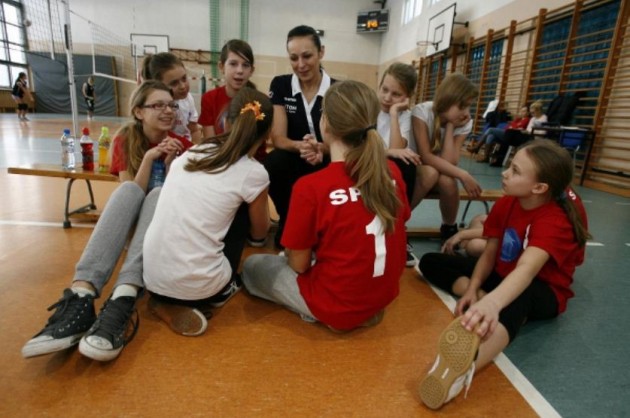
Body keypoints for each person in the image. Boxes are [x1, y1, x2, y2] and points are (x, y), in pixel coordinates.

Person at [21, 80, 193, 362]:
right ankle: (81, 294)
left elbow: (178, 200)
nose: (168, 111)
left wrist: (174, 164)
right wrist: (150, 158)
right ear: (138, 111)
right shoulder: (126, 139)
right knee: (128, 190)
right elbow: (133, 194)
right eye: (158, 105)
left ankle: (123, 296)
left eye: (171, 105)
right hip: (133, 227)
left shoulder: (183, 144)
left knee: (161, 192)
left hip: (164, 230)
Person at [417, 140, 590, 410]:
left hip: (543, 290)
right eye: (510, 166)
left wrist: (494, 303)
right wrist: (474, 289)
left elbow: (527, 269)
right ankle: (491, 299)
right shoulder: (508, 202)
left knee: (517, 298)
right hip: (504, 274)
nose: (505, 173)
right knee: (430, 262)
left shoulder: (555, 220)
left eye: (515, 171)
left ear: (539, 188)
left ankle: (463, 369)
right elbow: (490, 251)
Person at [242, 80, 410, 332]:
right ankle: (359, 311)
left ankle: (318, 313)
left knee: (253, 267)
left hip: (336, 305)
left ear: (326, 123)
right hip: (381, 298)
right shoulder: (392, 172)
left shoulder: (311, 187)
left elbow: (298, 266)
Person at [143, 87, 271, 336]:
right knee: (242, 213)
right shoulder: (254, 172)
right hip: (201, 286)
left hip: (151, 276)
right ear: (267, 135)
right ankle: (223, 288)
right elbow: (260, 231)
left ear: (225, 121)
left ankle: (165, 299)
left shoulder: (192, 152)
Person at [264, 25, 336, 248]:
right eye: (294, 58)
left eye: (307, 56)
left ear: (321, 52)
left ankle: (324, 228)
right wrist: (302, 147)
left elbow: (341, 140)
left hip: (328, 156)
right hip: (295, 155)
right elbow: (278, 138)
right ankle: (288, 221)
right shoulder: (281, 84)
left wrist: (322, 149)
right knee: (273, 162)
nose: (300, 65)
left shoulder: (337, 90)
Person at [410, 73, 481, 243]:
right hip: (414, 169)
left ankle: (449, 227)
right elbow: (425, 156)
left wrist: (450, 126)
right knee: (431, 172)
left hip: (438, 172)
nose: (466, 113)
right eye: (462, 107)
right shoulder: (422, 111)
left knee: (447, 179)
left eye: (468, 107)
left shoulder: (462, 122)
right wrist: (463, 174)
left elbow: (450, 162)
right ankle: (397, 220)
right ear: (447, 99)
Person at [376, 62, 421, 267]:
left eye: (395, 94)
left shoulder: (404, 115)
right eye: (384, 90)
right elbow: (357, 149)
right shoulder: (369, 108)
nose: (387, 98)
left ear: (407, 96)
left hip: (389, 169)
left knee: (406, 162)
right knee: (401, 159)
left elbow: (396, 148)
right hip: (367, 164)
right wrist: (388, 152)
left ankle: (397, 229)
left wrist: (394, 113)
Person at [198, 39, 266, 161]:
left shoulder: (260, 102)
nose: (240, 71)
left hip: (251, 162)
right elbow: (210, 143)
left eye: (245, 65)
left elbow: (255, 146)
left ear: (251, 70)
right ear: (221, 66)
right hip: (219, 160)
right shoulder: (209, 98)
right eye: (233, 64)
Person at [141, 52, 201, 143]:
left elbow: (194, 130)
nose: (183, 86)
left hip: (185, 149)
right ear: (158, 85)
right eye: (174, 83)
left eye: (184, 78)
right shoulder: (152, 107)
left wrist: (195, 152)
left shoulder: (188, 99)